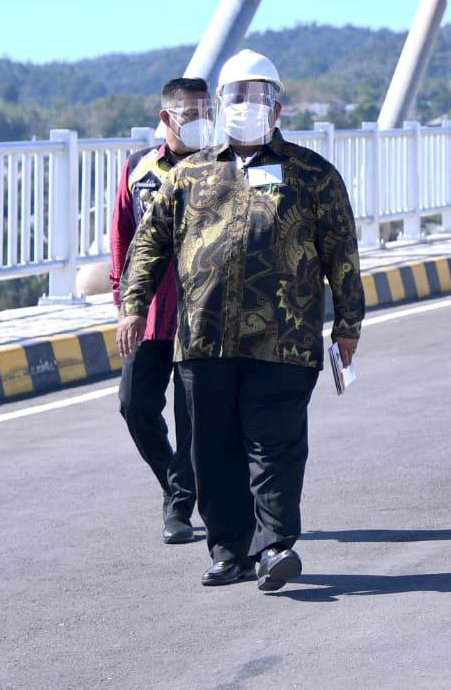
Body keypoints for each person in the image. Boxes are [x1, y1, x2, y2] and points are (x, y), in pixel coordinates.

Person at [118, 49, 365, 591]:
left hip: (285, 342)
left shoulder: (313, 174)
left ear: (278, 107)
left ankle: (275, 545)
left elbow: (341, 252)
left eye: (261, 96)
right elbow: (148, 245)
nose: (249, 106)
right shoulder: (188, 174)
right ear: (221, 102)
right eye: (238, 95)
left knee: (273, 445)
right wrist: (133, 306)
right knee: (213, 449)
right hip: (203, 340)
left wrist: (348, 324)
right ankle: (229, 549)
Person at [109, 77, 210, 544]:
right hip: (151, 315)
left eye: (206, 113)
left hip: (204, 317)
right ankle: (176, 482)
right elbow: (122, 242)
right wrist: (123, 304)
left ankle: (179, 506)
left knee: (193, 418)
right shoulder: (138, 168)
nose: (201, 123)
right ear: (167, 117)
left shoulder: (221, 165)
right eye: (191, 115)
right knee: (135, 406)